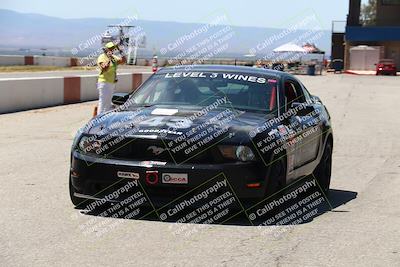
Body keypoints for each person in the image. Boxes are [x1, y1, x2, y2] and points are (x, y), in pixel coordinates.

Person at [96, 42, 126, 114]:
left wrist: (121, 51)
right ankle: (98, 119)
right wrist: (109, 58)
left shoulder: (114, 57)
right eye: (110, 49)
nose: (112, 50)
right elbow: (104, 68)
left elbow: (123, 61)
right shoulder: (102, 57)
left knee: (108, 103)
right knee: (103, 102)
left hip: (111, 83)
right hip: (104, 83)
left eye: (113, 49)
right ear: (106, 49)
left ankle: (104, 119)